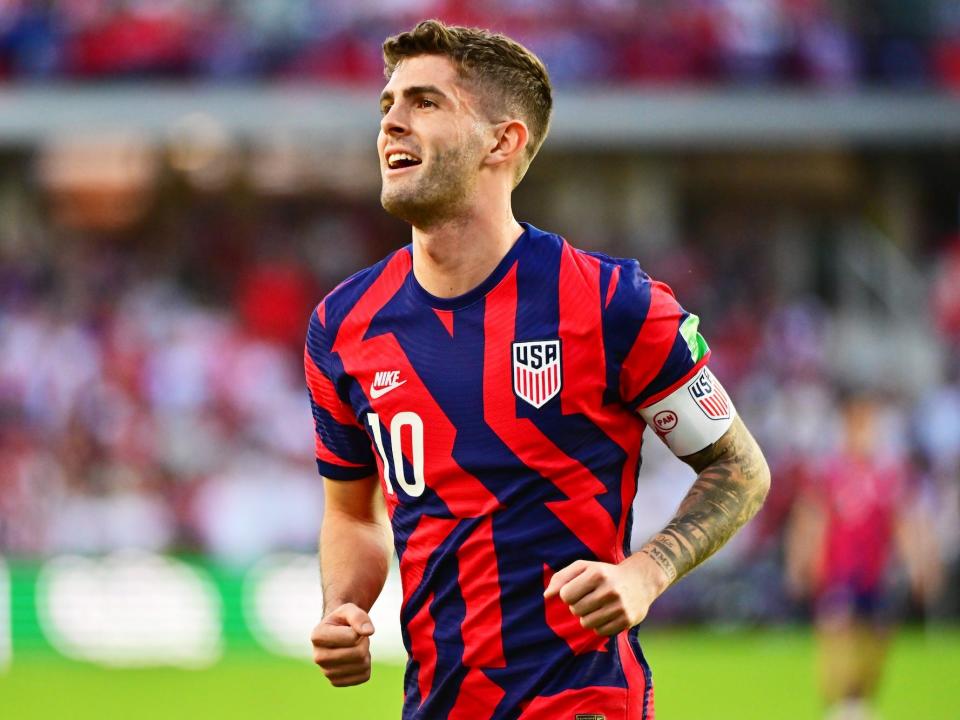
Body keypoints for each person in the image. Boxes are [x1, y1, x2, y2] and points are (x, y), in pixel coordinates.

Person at [304, 19, 770, 719]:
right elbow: (350, 511)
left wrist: (645, 574)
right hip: (435, 703)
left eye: (424, 103)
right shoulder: (343, 325)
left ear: (503, 139)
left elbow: (740, 469)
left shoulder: (616, 303)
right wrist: (344, 606)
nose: (392, 123)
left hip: (583, 700)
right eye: (387, 105)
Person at [786, 393, 942, 720]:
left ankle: (860, 701)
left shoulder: (888, 476)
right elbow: (813, 516)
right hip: (839, 571)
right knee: (836, 633)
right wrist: (803, 560)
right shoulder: (831, 472)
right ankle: (836, 705)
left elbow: (901, 522)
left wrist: (917, 565)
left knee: (877, 638)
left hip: (874, 570)